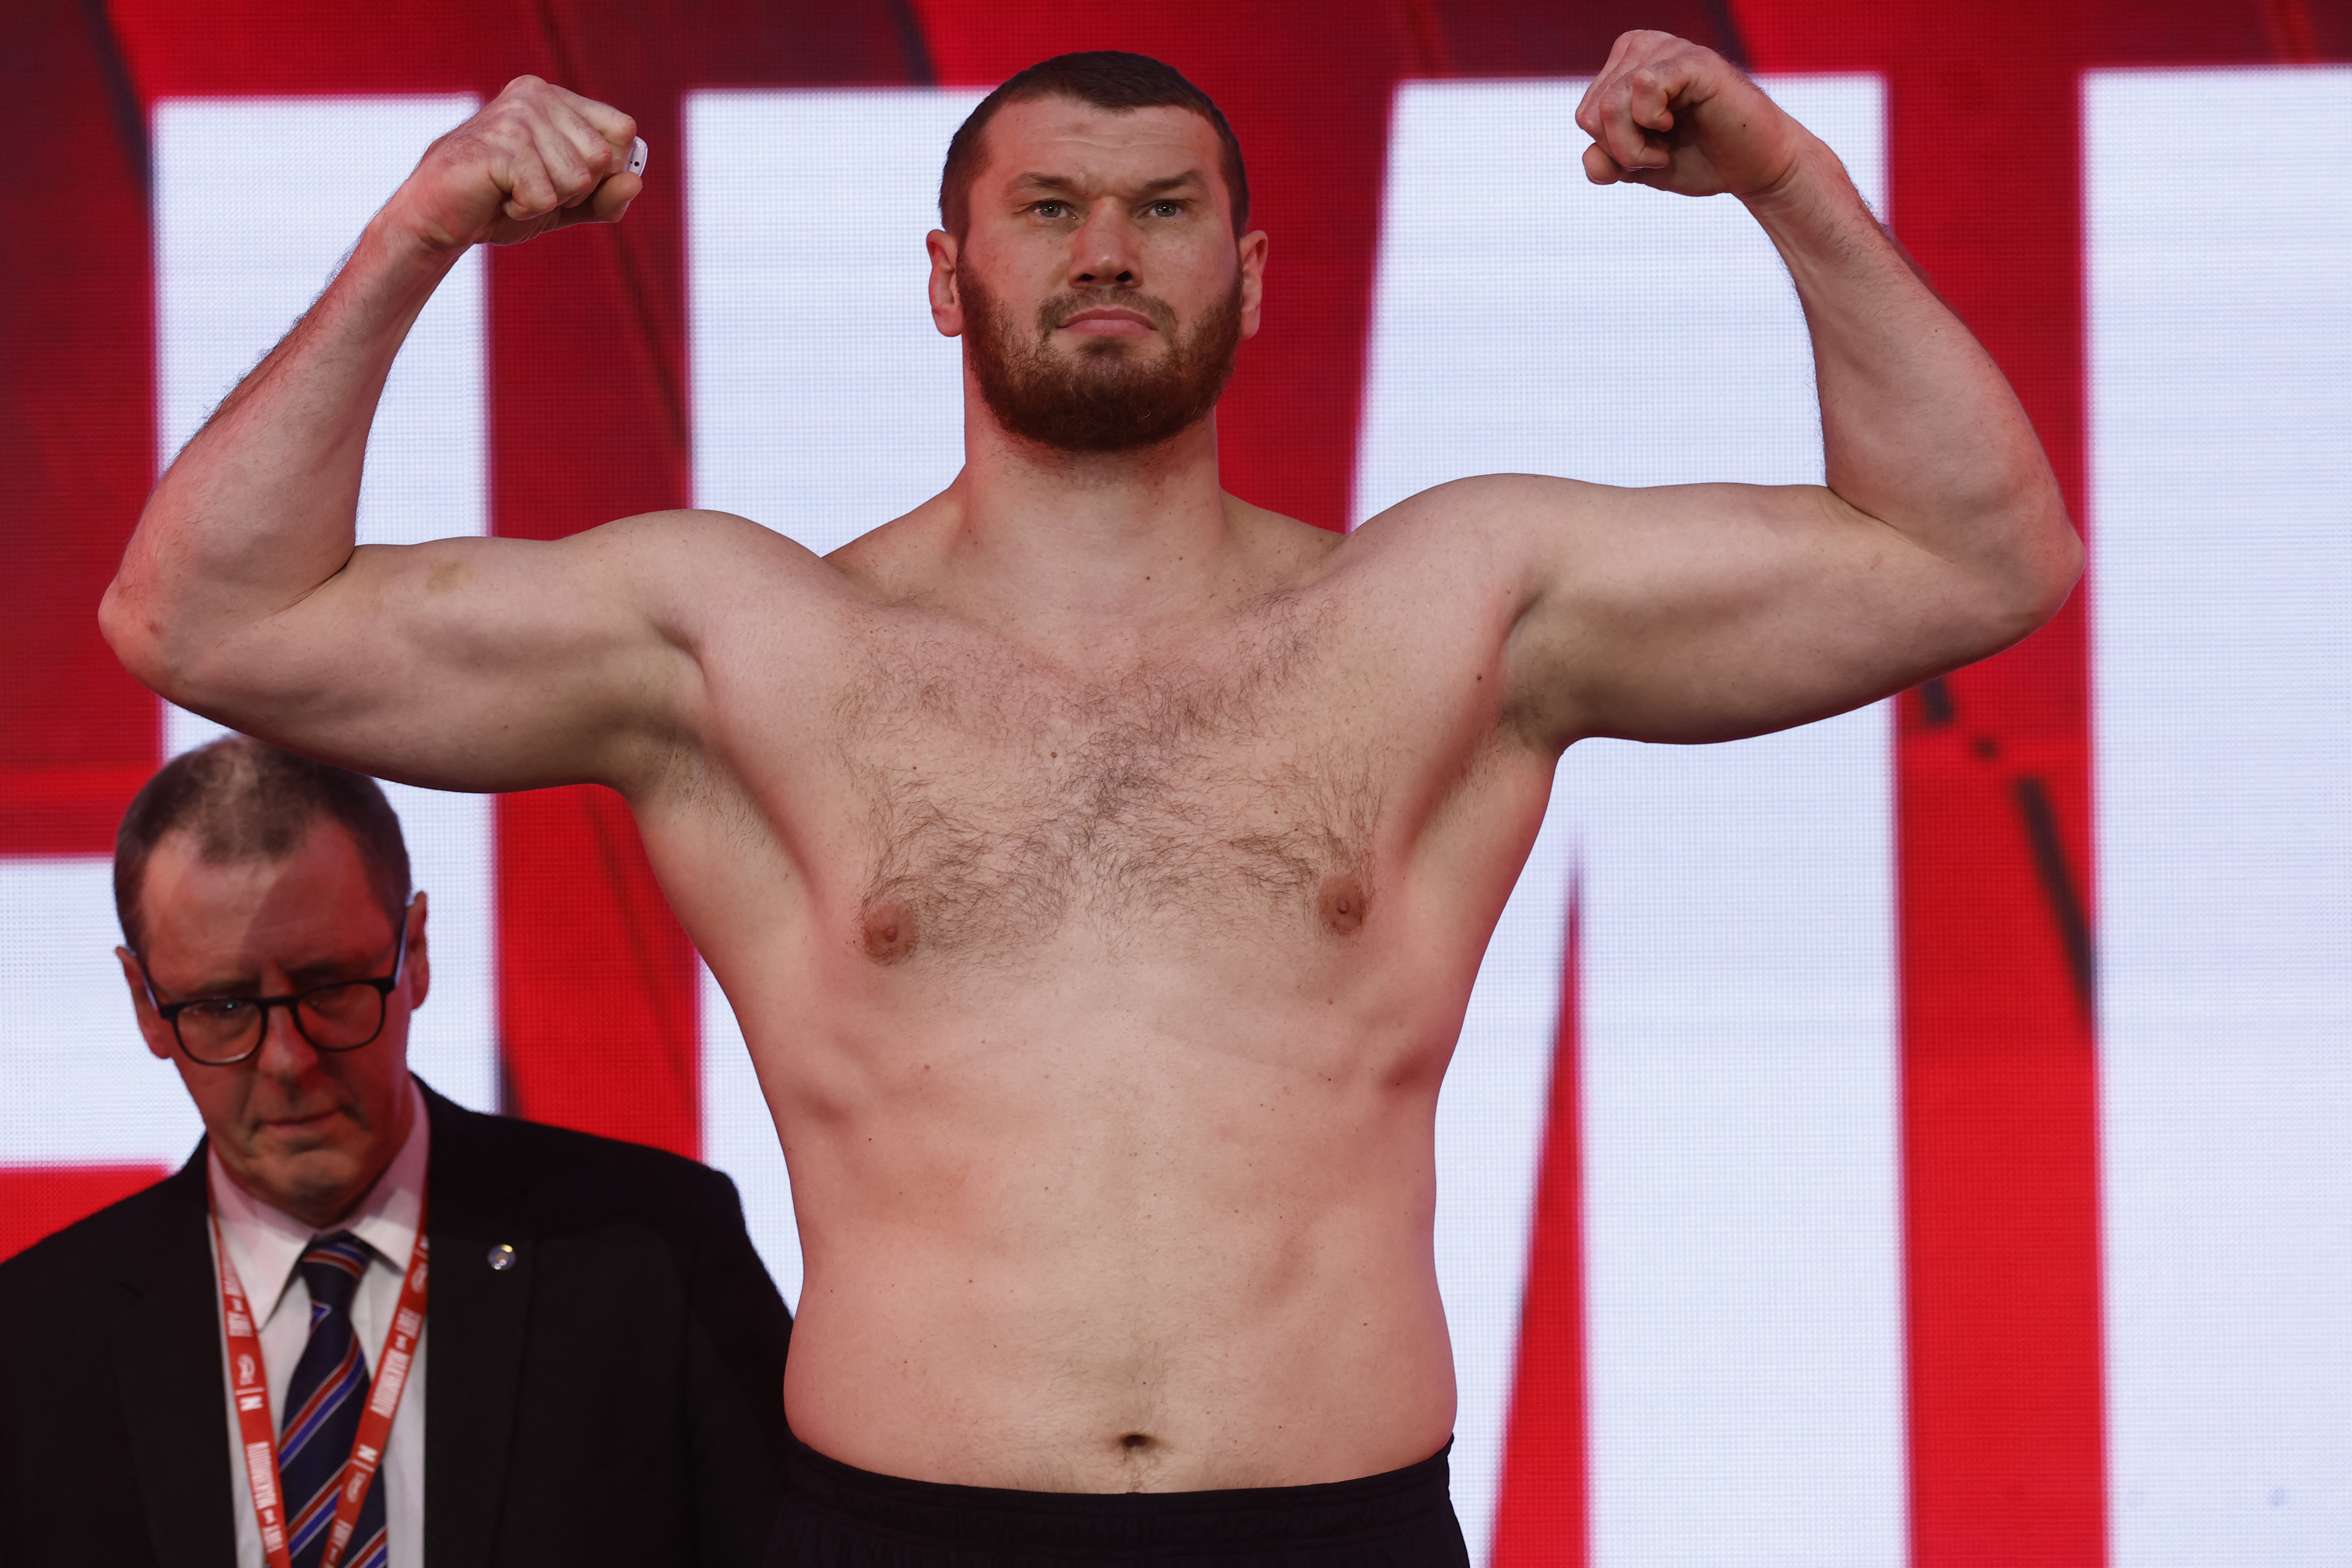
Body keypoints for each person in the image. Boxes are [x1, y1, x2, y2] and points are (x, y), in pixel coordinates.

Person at [98, 33, 2081, 1565]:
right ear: (948, 277)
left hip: (1332, 1520)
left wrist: (1790, 181)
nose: (1107, 248)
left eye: (1161, 206)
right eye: (1046, 210)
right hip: (899, 1523)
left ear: (1251, 269)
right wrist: (424, 222)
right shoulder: (740, 640)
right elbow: (202, 611)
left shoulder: (1453, 608)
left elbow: (1974, 558)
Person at [0, 739, 793, 1568]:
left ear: (413, 951)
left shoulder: (654, 1252)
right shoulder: (31, 1343)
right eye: (225, 1006)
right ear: (146, 1005)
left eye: (330, 987)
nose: (287, 1061)